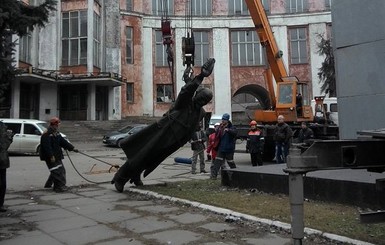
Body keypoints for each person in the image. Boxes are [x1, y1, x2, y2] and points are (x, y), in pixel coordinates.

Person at [112, 58, 216, 192]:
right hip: (162, 133)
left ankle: (136, 176)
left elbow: (193, 128)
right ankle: (120, 178)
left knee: (151, 159)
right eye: (202, 97)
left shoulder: (200, 113)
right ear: (197, 95)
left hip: (172, 142)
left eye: (206, 100)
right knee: (142, 154)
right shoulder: (185, 102)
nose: (203, 100)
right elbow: (186, 91)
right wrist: (201, 76)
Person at [40, 117, 78, 193]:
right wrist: (51, 156)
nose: (57, 127)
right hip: (50, 157)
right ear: (52, 125)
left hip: (57, 156)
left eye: (57, 125)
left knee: (60, 171)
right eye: (56, 125)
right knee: (57, 172)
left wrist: (72, 148)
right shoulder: (46, 134)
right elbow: (47, 147)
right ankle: (59, 187)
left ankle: (50, 185)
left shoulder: (56, 133)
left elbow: (63, 142)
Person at [210, 113, 237, 179]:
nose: (223, 121)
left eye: (224, 119)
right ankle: (213, 176)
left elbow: (235, 133)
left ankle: (236, 173)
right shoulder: (220, 127)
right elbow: (217, 137)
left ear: (227, 120)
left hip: (229, 149)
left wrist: (228, 130)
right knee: (217, 162)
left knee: (230, 162)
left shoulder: (232, 127)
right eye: (222, 119)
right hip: (221, 148)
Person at [0, 122, 13, 212]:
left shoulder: (2, 125)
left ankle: (1, 204)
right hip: (2, 160)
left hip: (2, 161)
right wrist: (9, 137)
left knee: (2, 184)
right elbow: (3, 146)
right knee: (1, 184)